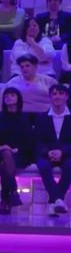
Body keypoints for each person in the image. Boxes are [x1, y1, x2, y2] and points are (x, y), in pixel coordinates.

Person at [0, 87, 33, 215]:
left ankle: (5, 199)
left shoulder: (24, 118)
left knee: (4, 165)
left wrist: (16, 150)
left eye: (12, 95)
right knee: (5, 155)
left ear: (18, 98)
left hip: (20, 154)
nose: (8, 97)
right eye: (6, 95)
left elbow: (30, 141)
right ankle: (13, 191)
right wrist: (1, 147)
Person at [34, 84, 71, 215]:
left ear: (66, 96)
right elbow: (37, 140)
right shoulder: (41, 117)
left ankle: (54, 201)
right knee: (43, 166)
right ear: (50, 97)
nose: (57, 97)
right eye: (54, 94)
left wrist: (62, 152)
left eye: (61, 94)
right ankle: (58, 200)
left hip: (67, 154)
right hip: (46, 154)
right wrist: (48, 152)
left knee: (70, 166)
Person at [6, 54, 58, 122]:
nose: (24, 69)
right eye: (22, 67)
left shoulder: (49, 81)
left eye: (27, 66)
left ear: (35, 67)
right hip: (19, 116)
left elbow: (58, 97)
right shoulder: (13, 82)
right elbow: (3, 99)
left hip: (45, 115)